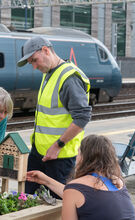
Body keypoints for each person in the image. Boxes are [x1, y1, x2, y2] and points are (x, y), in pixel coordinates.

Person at [17, 36, 92, 197]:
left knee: (58, 203)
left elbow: (83, 117)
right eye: (31, 63)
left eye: (34, 60)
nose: (35, 66)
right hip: (39, 152)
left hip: (60, 157)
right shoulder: (49, 72)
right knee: (28, 197)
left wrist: (58, 145)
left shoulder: (69, 78)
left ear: (46, 50)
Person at [27, 134, 135, 220]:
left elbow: (75, 193)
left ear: (84, 157)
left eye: (78, 152)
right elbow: (82, 196)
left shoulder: (75, 187)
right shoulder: (116, 181)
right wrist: (46, 180)